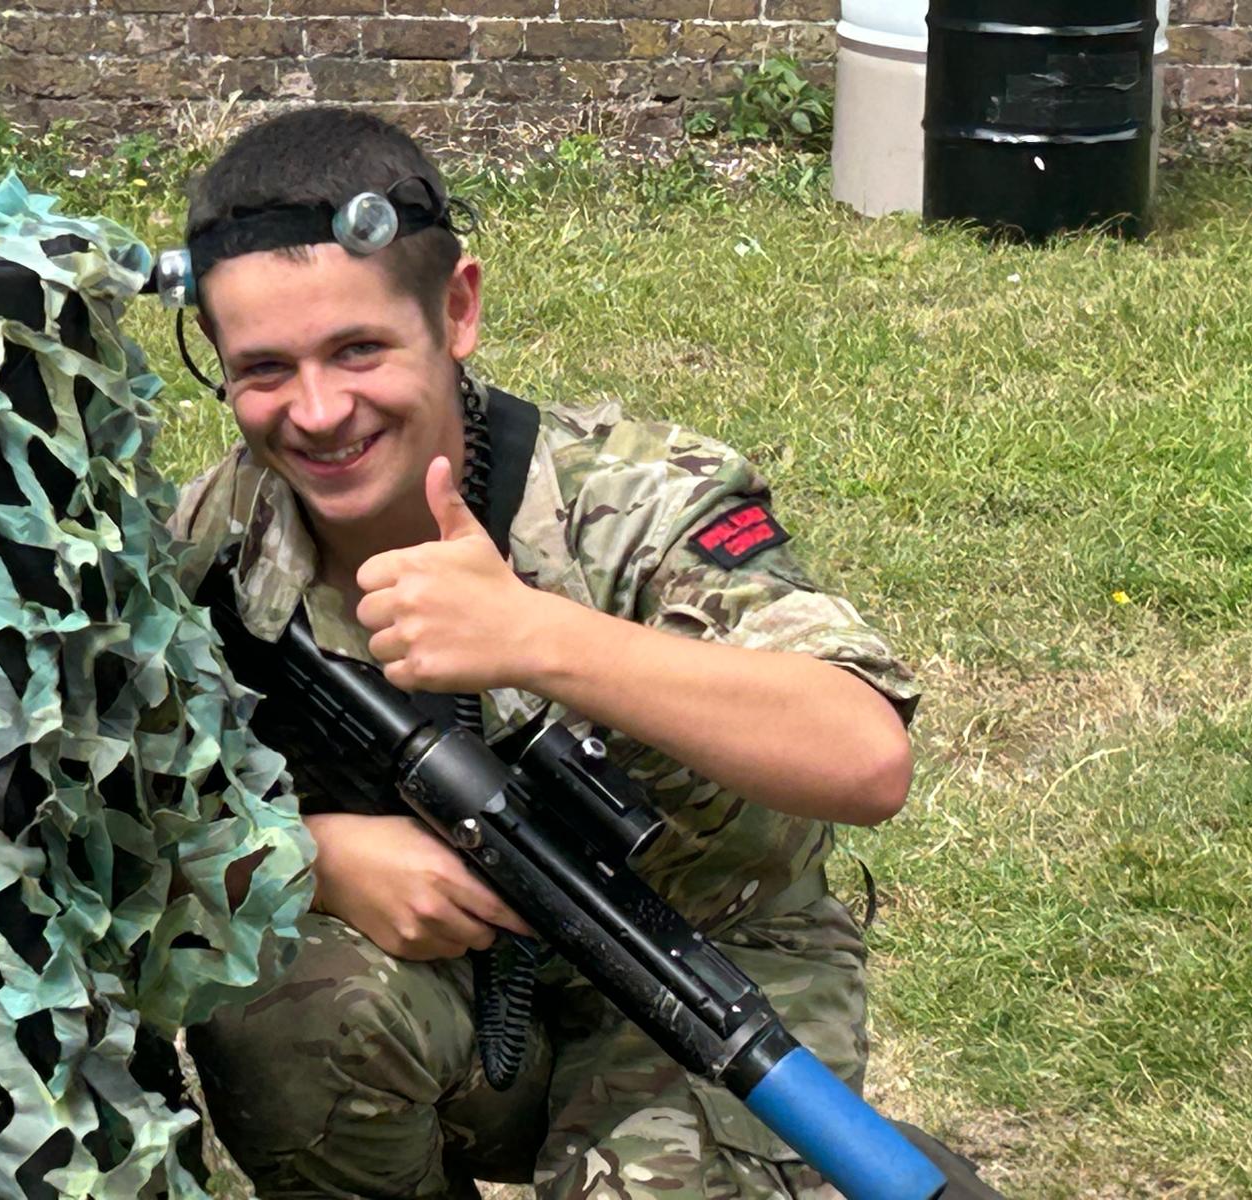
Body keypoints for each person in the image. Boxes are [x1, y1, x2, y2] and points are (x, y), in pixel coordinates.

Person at [168, 107, 999, 1199]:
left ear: (455, 309)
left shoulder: (636, 500)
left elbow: (862, 754)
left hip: (708, 974)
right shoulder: (210, 546)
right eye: (263, 369)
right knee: (280, 1000)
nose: (318, 411)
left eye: (359, 349)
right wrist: (313, 858)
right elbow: (109, 813)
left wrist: (537, 637)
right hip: (456, 992)